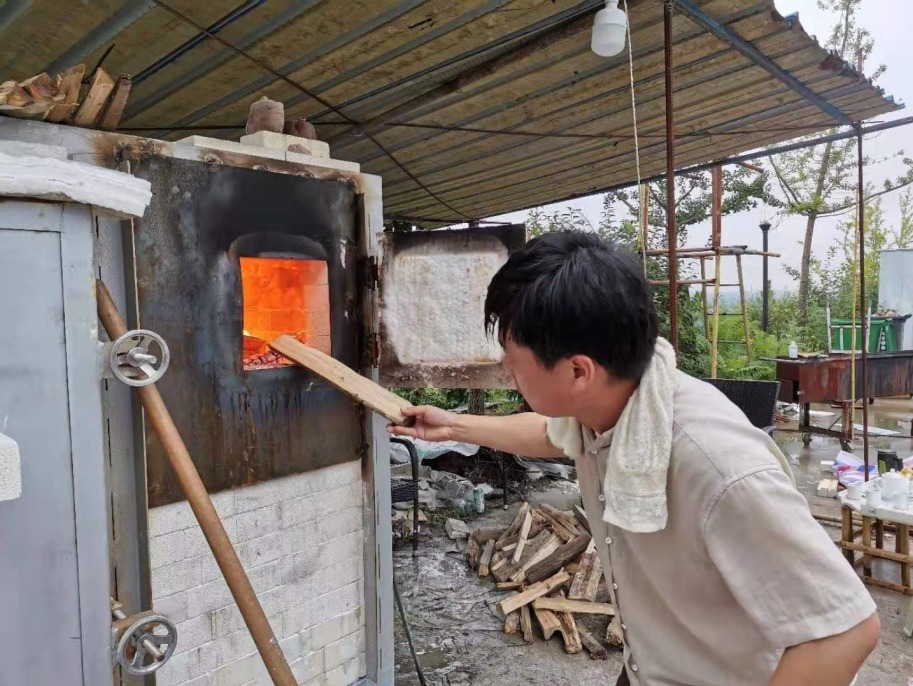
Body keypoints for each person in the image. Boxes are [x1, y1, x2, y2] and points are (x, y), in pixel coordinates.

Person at [388, 231, 879, 686]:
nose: (505, 368)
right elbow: (550, 433)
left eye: (513, 359)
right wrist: (453, 426)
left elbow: (845, 631)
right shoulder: (604, 407)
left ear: (578, 371)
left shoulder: (721, 470)